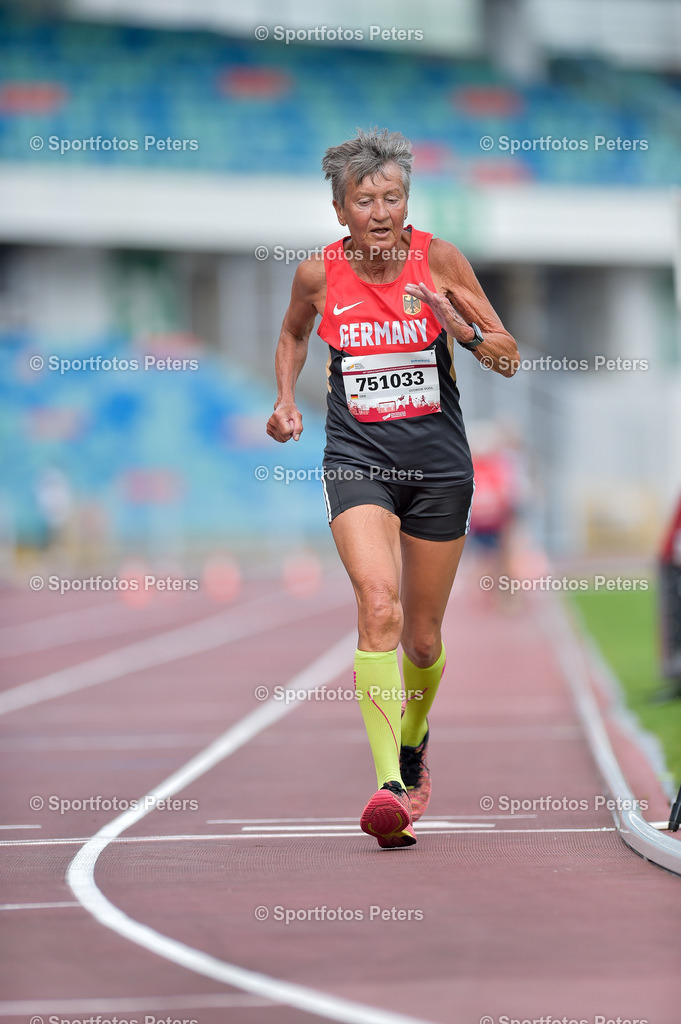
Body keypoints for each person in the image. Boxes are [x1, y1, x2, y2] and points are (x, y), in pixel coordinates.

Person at [267, 128, 519, 849]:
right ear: (339, 209)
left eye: (392, 197)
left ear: (407, 201)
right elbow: (293, 334)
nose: (380, 212)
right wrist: (284, 399)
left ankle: (412, 743)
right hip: (358, 460)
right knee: (378, 604)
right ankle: (390, 787)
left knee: (423, 637)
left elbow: (509, 359)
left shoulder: (438, 259)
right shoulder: (317, 275)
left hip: (439, 467)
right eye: (364, 200)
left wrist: (461, 330)